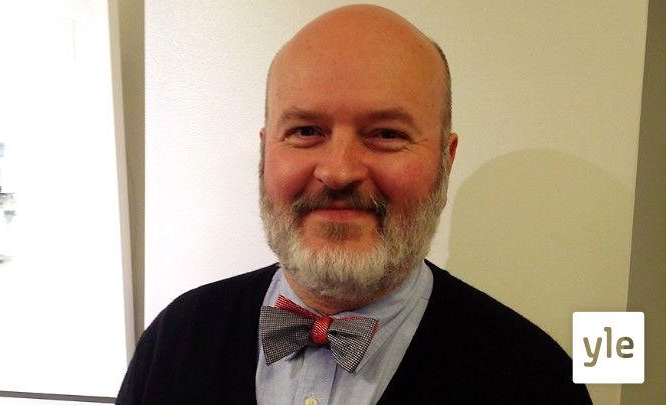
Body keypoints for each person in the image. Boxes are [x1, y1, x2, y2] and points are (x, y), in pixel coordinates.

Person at [117, 5, 591, 404]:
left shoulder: (537, 380)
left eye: (386, 134)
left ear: (445, 162)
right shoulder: (175, 339)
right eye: (306, 131)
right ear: (266, 154)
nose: (338, 171)